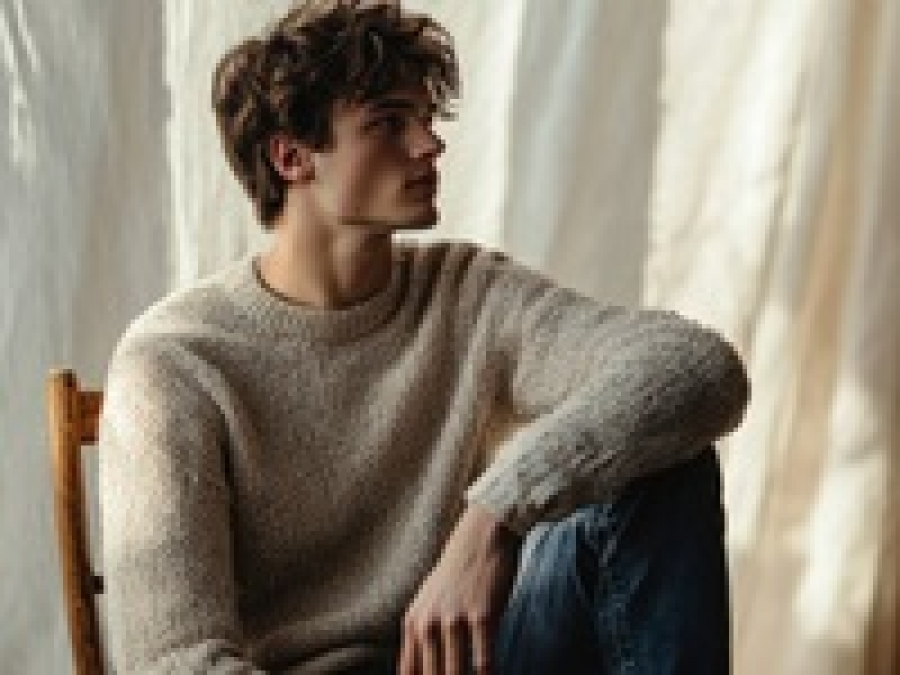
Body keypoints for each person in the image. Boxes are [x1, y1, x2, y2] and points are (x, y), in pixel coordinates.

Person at [98, 1, 751, 673]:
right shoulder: (176, 360)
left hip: (477, 659)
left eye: (426, 118)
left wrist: (495, 513)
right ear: (291, 156)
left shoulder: (471, 293)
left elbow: (694, 366)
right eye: (389, 122)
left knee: (664, 462)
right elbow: (172, 662)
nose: (429, 144)